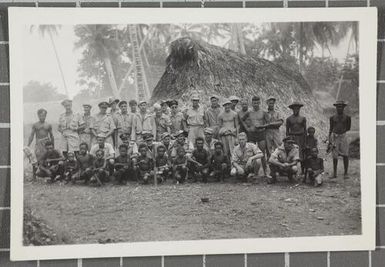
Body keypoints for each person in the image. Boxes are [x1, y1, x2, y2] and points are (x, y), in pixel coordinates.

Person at [242, 96, 269, 177]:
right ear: (252, 103)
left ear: (259, 103)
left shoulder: (263, 112)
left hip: (261, 133)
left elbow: (268, 123)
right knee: (251, 153)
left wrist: (262, 126)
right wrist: (247, 128)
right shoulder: (249, 112)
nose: (256, 104)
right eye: (254, 103)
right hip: (252, 134)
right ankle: (252, 172)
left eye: (257, 103)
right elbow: (242, 119)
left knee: (262, 153)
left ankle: (265, 172)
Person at [28, 109, 55, 178]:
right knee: (36, 159)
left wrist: (53, 145)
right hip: (39, 143)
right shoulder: (35, 125)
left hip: (46, 143)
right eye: (41, 115)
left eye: (44, 115)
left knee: (46, 158)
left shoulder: (48, 125)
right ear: (38, 115)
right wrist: (28, 145)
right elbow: (32, 135)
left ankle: (45, 173)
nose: (42, 117)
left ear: (46, 116)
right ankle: (34, 175)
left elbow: (51, 136)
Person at [329, 100, 351, 179]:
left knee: (345, 154)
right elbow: (331, 128)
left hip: (343, 136)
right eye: (338, 107)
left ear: (343, 108)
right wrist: (330, 140)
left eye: (341, 107)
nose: (339, 108)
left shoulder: (347, 118)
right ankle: (334, 173)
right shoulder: (332, 118)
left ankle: (345, 173)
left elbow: (348, 128)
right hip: (335, 137)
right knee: (335, 155)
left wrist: (341, 132)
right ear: (336, 108)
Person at [286, 101, 307, 174]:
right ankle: (292, 170)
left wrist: (305, 142)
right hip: (292, 138)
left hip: (300, 138)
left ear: (299, 109)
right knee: (292, 153)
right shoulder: (289, 119)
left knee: (302, 154)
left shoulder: (303, 118)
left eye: (297, 109)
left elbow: (305, 130)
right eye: (294, 109)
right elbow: (287, 131)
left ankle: (303, 171)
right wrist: (288, 141)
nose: (296, 110)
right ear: (292, 109)